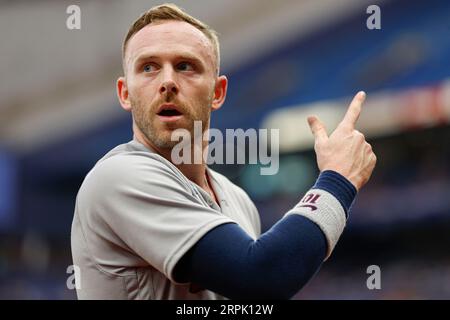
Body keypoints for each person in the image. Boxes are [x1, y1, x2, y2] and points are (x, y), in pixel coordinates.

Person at [71, 3, 376, 300]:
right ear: (125, 93)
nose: (167, 82)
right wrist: (337, 180)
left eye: (185, 66)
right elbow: (262, 276)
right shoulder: (117, 177)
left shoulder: (238, 200)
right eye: (148, 67)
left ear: (218, 92)